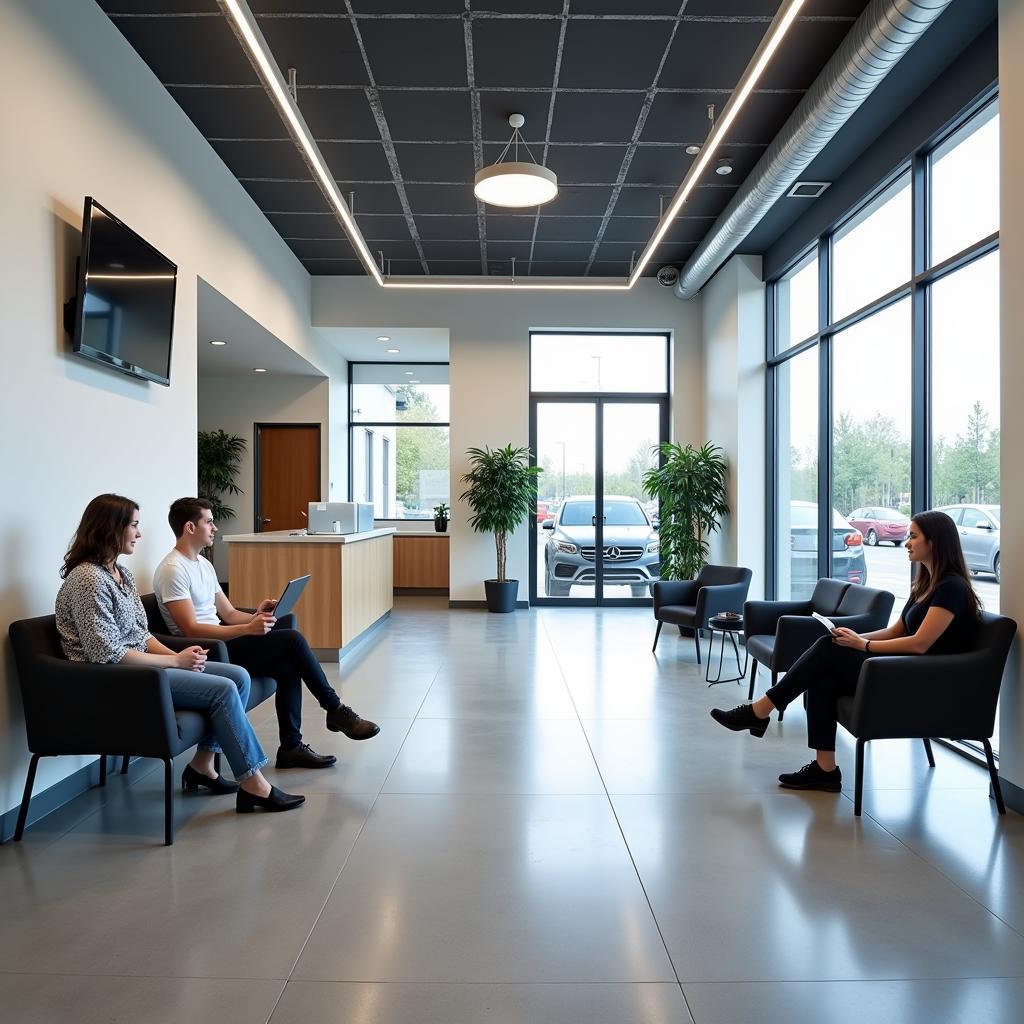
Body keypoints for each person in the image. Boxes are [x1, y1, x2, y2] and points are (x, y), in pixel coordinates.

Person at [55, 493, 304, 814]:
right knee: (224, 688)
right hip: (114, 680)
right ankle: (254, 783)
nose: (139, 533)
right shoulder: (88, 580)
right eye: (133, 525)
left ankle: (203, 766)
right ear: (110, 528)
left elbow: (140, 635)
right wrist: (174, 660)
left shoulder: (120, 573)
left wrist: (183, 652)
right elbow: (107, 654)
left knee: (238, 677)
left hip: (139, 666)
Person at [710, 510, 981, 792]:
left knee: (827, 649)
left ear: (935, 542)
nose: (907, 543)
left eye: (913, 536)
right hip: (901, 669)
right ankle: (825, 770)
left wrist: (862, 645)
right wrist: (854, 637)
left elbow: (920, 643)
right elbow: (896, 631)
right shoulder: (925, 586)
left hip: (919, 681)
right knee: (823, 673)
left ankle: (760, 710)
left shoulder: (952, 589)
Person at [152, 497, 380, 771]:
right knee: (292, 640)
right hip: (205, 650)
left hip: (224, 640)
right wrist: (247, 629)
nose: (214, 527)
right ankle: (336, 710)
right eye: (209, 522)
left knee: (287, 665)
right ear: (190, 527)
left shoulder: (203, 565)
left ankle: (291, 747)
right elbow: (190, 628)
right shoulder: (172, 570)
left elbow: (228, 613)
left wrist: (255, 616)